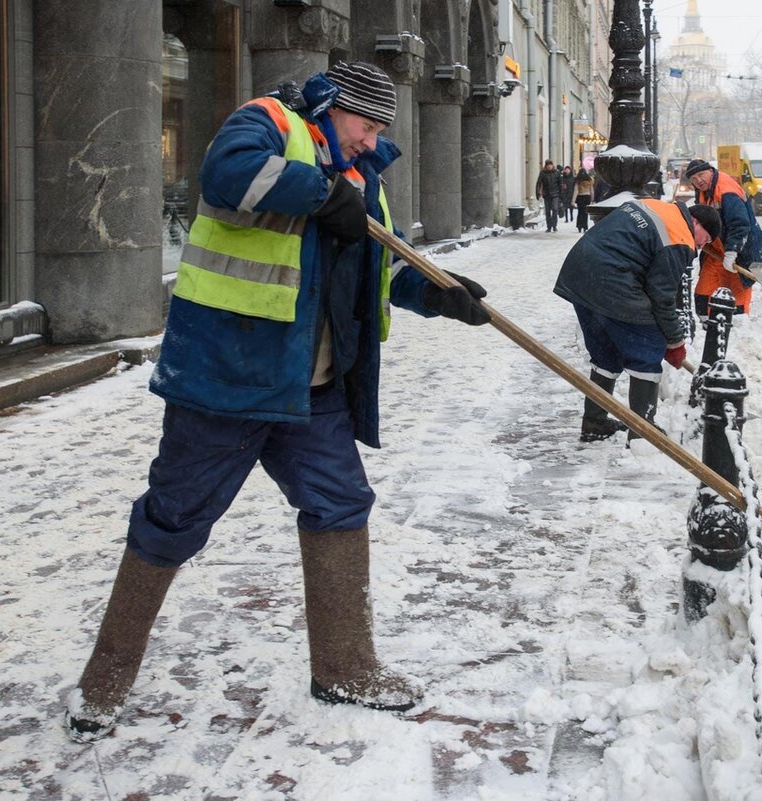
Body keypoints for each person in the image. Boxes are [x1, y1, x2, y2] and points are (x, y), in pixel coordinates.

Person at [64, 61, 491, 742]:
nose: (370, 137)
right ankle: (103, 682)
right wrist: (320, 192)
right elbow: (227, 175)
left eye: (383, 126)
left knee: (341, 504)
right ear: (334, 107)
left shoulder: (363, 179)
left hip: (309, 391)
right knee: (172, 520)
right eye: (365, 122)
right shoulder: (269, 123)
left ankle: (346, 667)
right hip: (225, 384)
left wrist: (436, 291)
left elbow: (378, 262)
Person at [553, 199, 722, 442]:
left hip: (579, 275)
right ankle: (643, 431)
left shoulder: (655, 206)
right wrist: (674, 341)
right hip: (611, 281)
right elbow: (662, 297)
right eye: (704, 239)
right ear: (695, 222)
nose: (699, 246)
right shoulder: (679, 237)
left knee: (605, 354)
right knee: (649, 345)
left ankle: (594, 422)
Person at [684, 158, 762, 316]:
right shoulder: (704, 190)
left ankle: (737, 329)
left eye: (701, 174)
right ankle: (708, 327)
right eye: (694, 179)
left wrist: (732, 252)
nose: (698, 180)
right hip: (715, 251)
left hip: (739, 252)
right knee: (703, 294)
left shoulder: (727, 192)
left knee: (736, 298)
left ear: (711, 171)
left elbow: (740, 224)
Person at [535, 159, 564, 232]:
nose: (549, 166)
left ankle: (554, 226)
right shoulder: (543, 173)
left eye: (550, 165)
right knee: (547, 211)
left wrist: (561, 195)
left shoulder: (556, 173)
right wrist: (538, 193)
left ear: (552, 165)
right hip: (546, 194)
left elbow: (560, 184)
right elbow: (539, 183)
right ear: (546, 166)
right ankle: (549, 227)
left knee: (554, 209)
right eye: (547, 165)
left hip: (555, 194)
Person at [573, 168, 594, 232]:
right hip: (587, 197)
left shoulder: (578, 181)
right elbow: (591, 190)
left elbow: (576, 191)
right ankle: (585, 226)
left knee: (580, 212)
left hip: (580, 197)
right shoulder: (589, 180)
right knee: (585, 213)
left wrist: (573, 200)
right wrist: (592, 199)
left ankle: (579, 226)